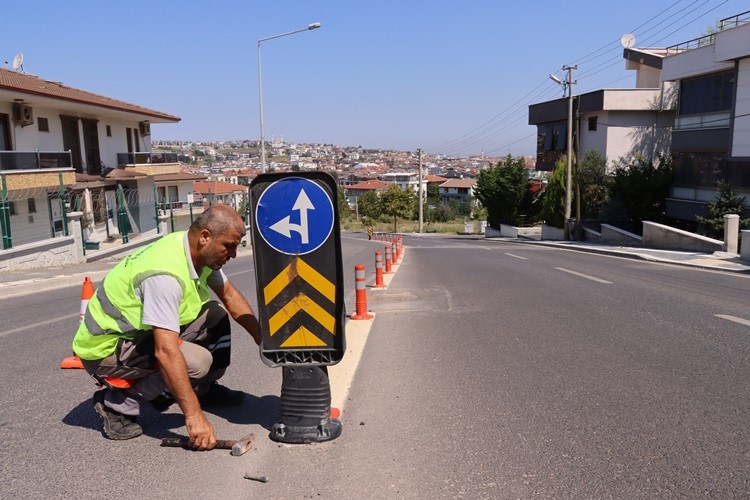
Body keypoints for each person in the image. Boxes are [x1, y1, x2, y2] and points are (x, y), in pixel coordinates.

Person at [72, 203, 261, 450]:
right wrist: (194, 418)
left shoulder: (192, 251)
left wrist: (265, 343)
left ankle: (204, 391)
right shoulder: (164, 276)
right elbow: (165, 352)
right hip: (105, 349)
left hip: (136, 337)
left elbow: (232, 299)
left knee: (215, 315)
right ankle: (118, 404)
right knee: (196, 362)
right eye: (230, 246)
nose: (233, 254)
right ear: (205, 236)